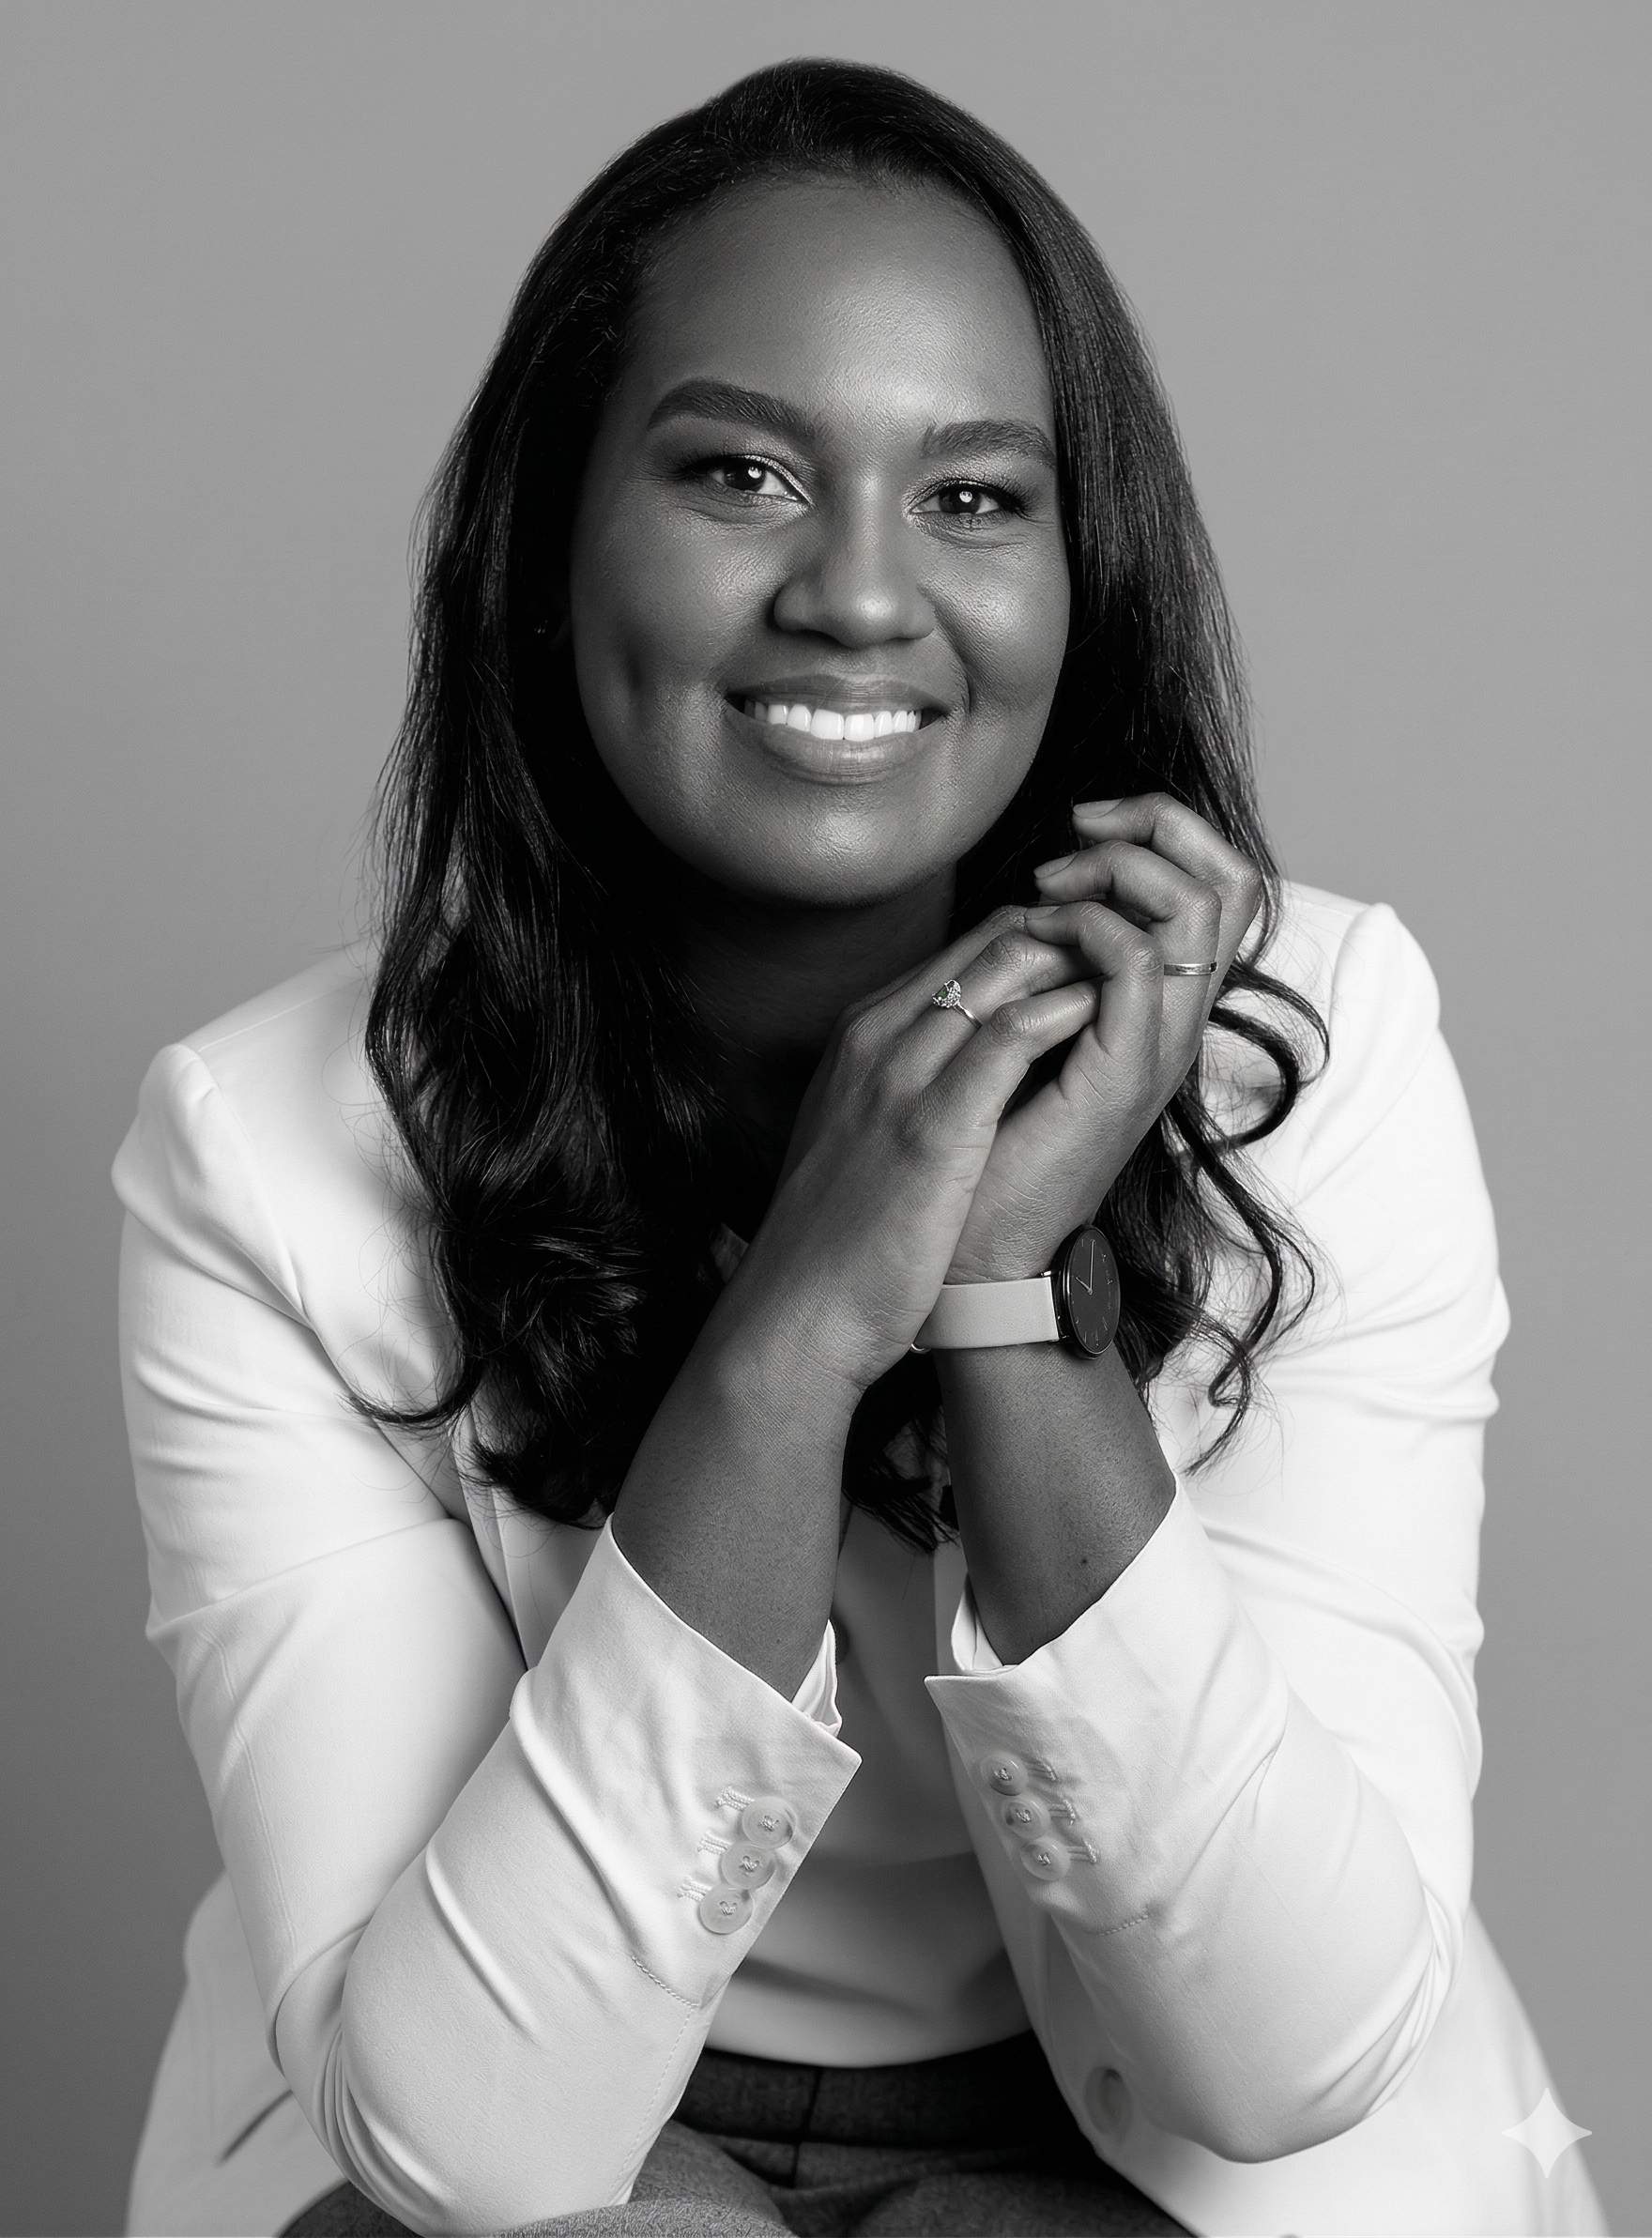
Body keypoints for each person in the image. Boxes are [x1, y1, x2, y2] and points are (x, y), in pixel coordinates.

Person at [115, 57, 1603, 2238]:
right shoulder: (266, 1146)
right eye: (737, 471)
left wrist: (1003, 1291)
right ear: (547, 540)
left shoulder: (1316, 1043)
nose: (860, 594)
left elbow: (1286, 2054)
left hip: (1150, 2151)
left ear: (1078, 573)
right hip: (581, 2133)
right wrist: (798, 1321)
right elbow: (478, 2145)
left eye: (978, 497)